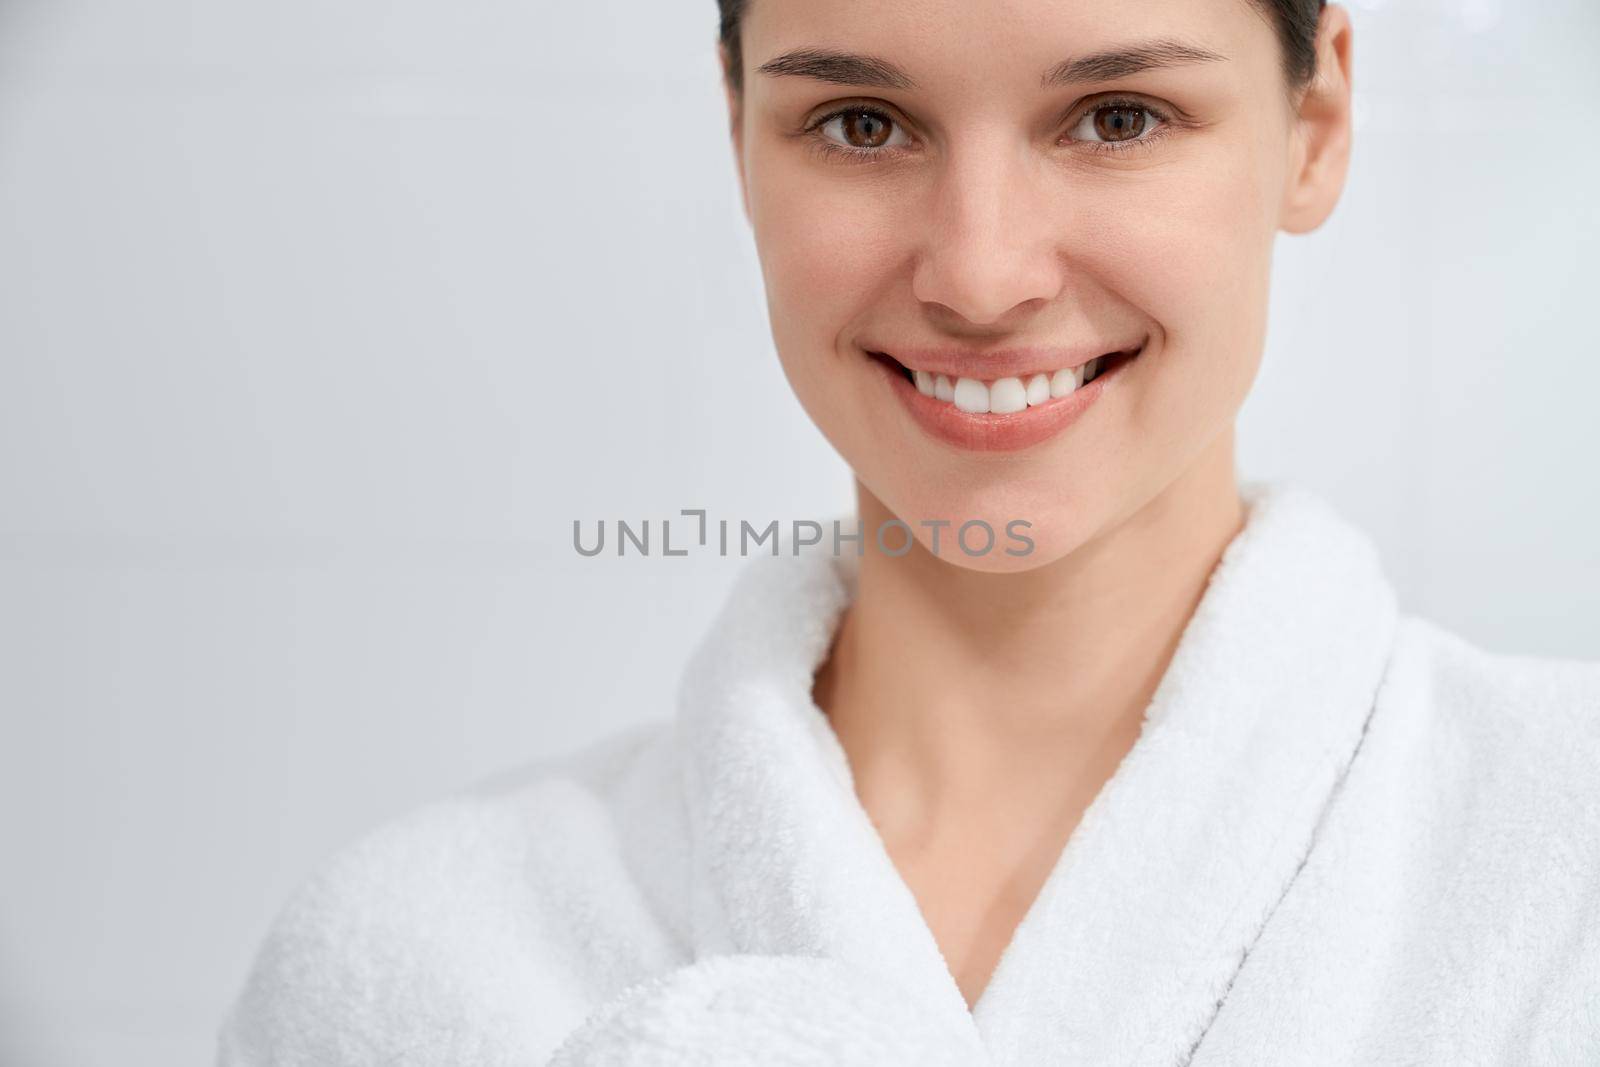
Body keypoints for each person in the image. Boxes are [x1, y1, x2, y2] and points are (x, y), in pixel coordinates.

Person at [218, 1, 1600, 1063]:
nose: (984, 274)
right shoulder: (412, 963)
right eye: (863, 125)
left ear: (1313, 125)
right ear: (737, 132)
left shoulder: (1561, 868)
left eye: (1117, 116)